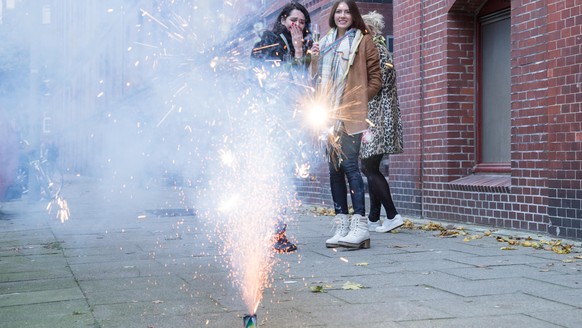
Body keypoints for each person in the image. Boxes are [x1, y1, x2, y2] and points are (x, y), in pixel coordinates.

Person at [310, 0, 382, 249]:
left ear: (354, 15)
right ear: (332, 15)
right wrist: (314, 60)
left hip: (349, 114)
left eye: (347, 11)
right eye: (338, 11)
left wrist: (357, 101)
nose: (342, 15)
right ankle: (342, 224)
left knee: (350, 166)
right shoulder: (325, 42)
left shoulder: (363, 41)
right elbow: (315, 78)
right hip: (327, 114)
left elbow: (376, 79)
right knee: (334, 171)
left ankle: (360, 226)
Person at [249, 2, 313, 253]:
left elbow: (303, 82)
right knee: (273, 176)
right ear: (283, 19)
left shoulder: (296, 45)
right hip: (271, 120)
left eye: (302, 22)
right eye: (294, 20)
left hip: (289, 121)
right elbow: (275, 78)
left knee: (284, 177)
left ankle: (276, 233)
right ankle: (271, 233)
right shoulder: (271, 40)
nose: (298, 26)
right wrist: (297, 52)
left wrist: (303, 53)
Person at [360, 11, 404, 233]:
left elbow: (372, 85)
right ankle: (373, 218)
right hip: (382, 116)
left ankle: (392, 214)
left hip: (376, 116)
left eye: (363, 29)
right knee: (371, 166)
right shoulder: (380, 49)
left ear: (373, 30)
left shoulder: (374, 50)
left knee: (367, 166)